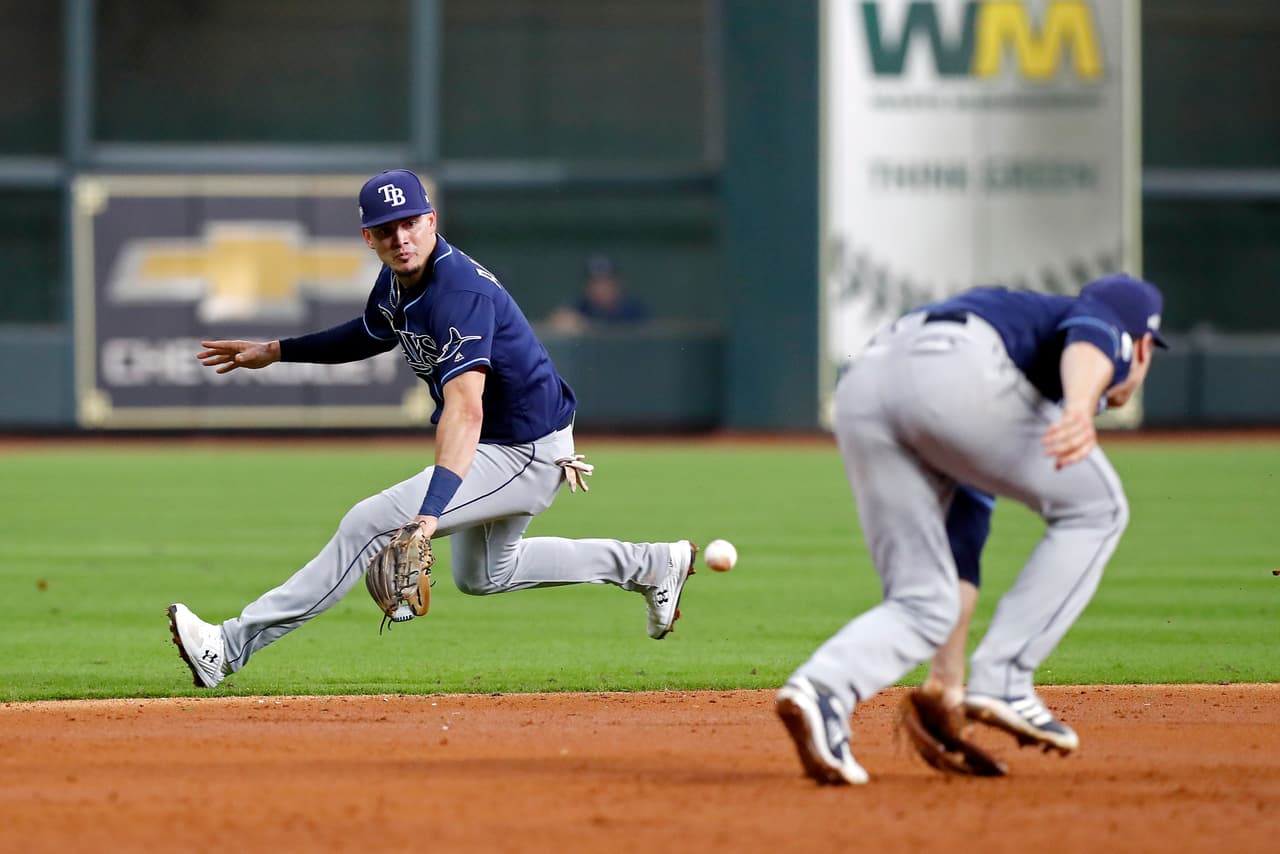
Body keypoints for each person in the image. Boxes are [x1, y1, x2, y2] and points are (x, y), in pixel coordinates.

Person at [167, 169, 699, 689]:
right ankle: (653, 565)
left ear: (432, 220)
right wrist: (278, 351)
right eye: (386, 229)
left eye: (410, 222)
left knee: (369, 523)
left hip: (521, 449)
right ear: (368, 238)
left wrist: (427, 517)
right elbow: (370, 333)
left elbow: (465, 411)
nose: (400, 238)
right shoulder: (400, 278)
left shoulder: (458, 296)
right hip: (517, 439)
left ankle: (228, 646)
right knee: (484, 574)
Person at [776, 274, 1167, 784]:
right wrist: (1077, 407)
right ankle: (1005, 679)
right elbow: (1093, 332)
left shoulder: (1010, 388)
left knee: (925, 601)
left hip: (864, 384)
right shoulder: (1103, 324)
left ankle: (822, 690)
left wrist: (946, 684)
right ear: (1141, 347)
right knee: (1098, 508)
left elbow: (964, 532)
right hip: (953, 367)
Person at [546, 254, 649, 333]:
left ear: (618, 284)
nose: (601, 289)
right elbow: (558, 320)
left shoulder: (633, 309)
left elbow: (651, 332)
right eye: (595, 283)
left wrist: (589, 327)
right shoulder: (581, 305)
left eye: (606, 282)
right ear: (586, 286)